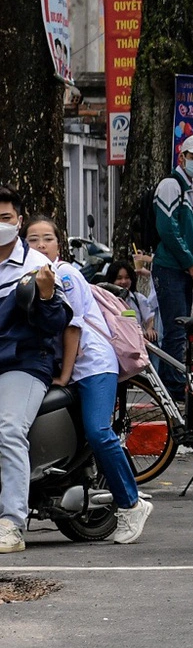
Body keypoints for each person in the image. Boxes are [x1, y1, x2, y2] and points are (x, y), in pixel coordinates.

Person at [24, 216, 150, 544]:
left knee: (98, 431)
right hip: (63, 368)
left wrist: (63, 376)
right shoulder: (26, 279)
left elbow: (73, 325)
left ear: (59, 245)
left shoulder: (65, 273)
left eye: (47, 239)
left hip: (93, 365)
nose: (40, 245)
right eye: (33, 239)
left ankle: (131, 504)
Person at [0, 188, 72, 554]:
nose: (0, 225)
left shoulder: (34, 268)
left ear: (18, 221)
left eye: (5, 218)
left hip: (24, 362)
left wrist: (45, 295)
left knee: (9, 428)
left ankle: (11, 523)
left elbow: (54, 323)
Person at [151, 133, 193, 397]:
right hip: (170, 268)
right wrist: (190, 262)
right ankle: (173, 388)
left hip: (184, 269)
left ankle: (176, 382)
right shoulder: (171, 185)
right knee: (176, 330)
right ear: (182, 157)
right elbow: (168, 228)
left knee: (182, 329)